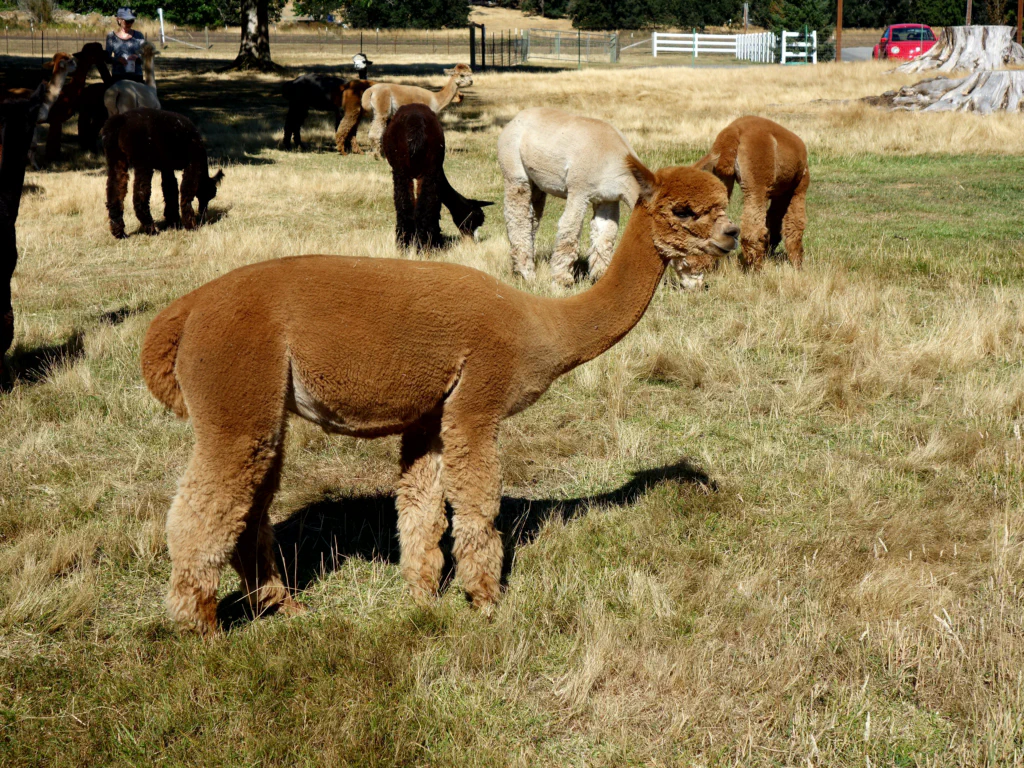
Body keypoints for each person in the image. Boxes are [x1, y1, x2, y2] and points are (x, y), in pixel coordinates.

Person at [106, 8, 146, 83]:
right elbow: (107, 58)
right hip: (118, 78)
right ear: (119, 20)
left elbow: (146, 57)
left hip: (136, 77)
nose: (130, 24)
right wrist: (117, 59)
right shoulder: (111, 36)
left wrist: (137, 57)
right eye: (127, 21)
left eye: (132, 21)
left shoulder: (139, 35)